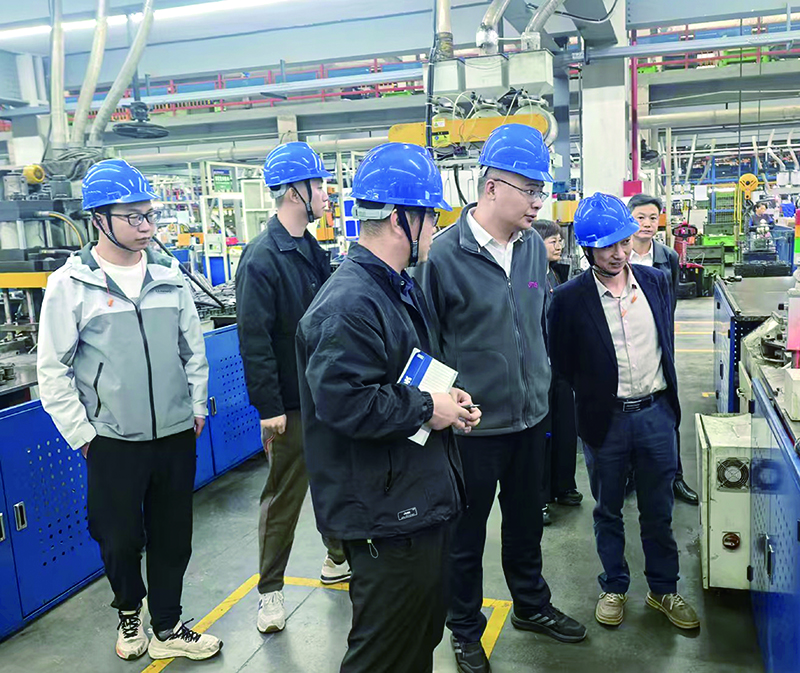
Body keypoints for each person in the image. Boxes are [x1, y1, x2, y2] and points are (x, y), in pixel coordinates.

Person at [296, 142, 481, 673]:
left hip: (413, 497)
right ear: (402, 218)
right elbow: (344, 402)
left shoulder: (396, 286)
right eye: (431, 217)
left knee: (418, 637)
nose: (435, 229)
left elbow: (405, 368)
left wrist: (448, 399)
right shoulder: (350, 301)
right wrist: (426, 408)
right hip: (383, 514)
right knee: (383, 653)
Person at [36, 159, 222, 662]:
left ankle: (167, 625)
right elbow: (52, 370)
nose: (146, 227)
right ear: (100, 219)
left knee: (173, 537)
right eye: (133, 217)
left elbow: (193, 350)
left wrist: (196, 405)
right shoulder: (71, 285)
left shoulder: (169, 276)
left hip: (175, 434)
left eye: (150, 215)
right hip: (112, 439)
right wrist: (82, 435)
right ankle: (128, 613)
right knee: (118, 539)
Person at [419, 124, 586, 673]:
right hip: (471, 429)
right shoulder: (443, 256)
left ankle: (531, 606)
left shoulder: (534, 248)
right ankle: (465, 630)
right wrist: (444, 410)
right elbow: (427, 345)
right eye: (530, 189)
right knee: (464, 537)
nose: (539, 201)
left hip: (529, 419)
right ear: (492, 187)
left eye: (542, 190)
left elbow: (534, 326)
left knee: (526, 523)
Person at [548, 192, 699, 631]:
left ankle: (663, 588)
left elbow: (665, 339)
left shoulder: (655, 281)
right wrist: (596, 397)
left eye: (624, 242)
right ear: (587, 249)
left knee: (658, 510)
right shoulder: (569, 298)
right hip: (606, 420)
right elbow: (562, 364)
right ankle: (613, 585)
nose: (618, 253)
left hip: (656, 414)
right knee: (608, 509)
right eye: (606, 246)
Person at [236, 142, 351, 635]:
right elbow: (254, 338)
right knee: (284, 497)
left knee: (335, 479)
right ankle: (270, 592)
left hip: (323, 394)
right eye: (318, 185)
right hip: (289, 402)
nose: (326, 193)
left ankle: (337, 558)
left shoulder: (309, 249)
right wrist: (269, 407)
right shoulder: (262, 257)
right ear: (293, 192)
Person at [628, 193, 698, 506]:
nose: (647, 224)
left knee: (667, 408)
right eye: (640, 217)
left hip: (659, 345)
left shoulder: (667, 257)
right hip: (625, 343)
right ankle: (630, 475)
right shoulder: (620, 253)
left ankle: (675, 477)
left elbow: (670, 304)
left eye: (653, 218)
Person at [532, 220, 582, 527]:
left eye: (560, 241)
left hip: (560, 366)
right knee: (541, 436)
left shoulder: (555, 274)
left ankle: (563, 485)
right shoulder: (529, 278)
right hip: (539, 369)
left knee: (565, 429)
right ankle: (538, 499)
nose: (559, 246)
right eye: (553, 241)